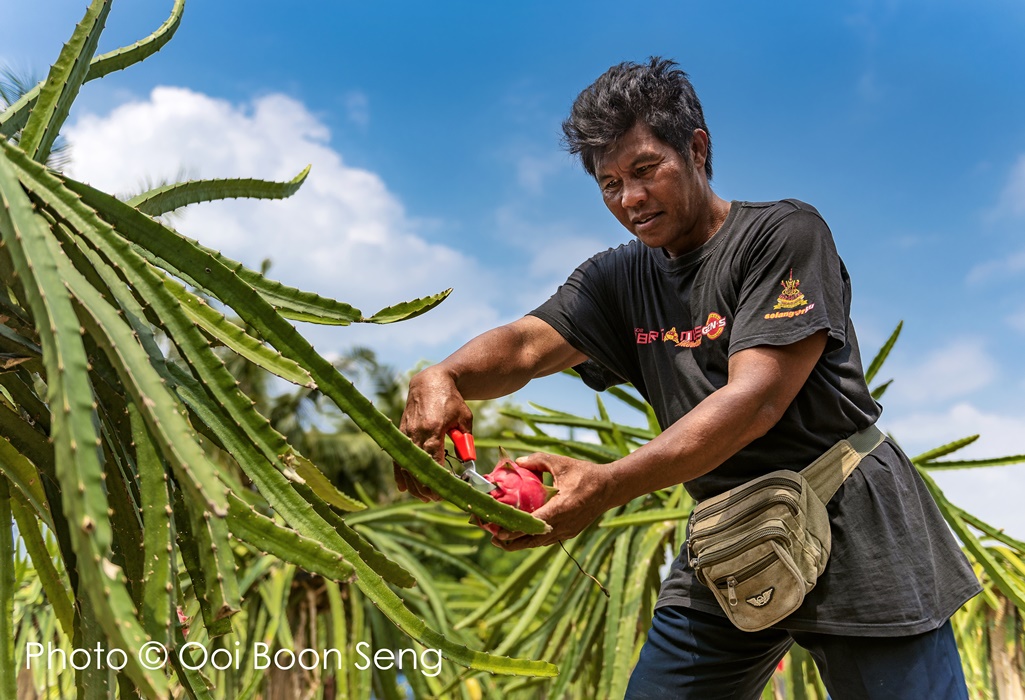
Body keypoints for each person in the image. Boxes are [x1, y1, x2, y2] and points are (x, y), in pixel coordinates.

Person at [395, 57, 981, 699]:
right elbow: (525, 346)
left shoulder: (783, 235)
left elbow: (754, 401)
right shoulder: (617, 278)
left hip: (851, 518)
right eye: (610, 183)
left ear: (697, 149)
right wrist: (443, 375)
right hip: (729, 532)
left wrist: (606, 485)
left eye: (645, 169)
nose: (630, 199)